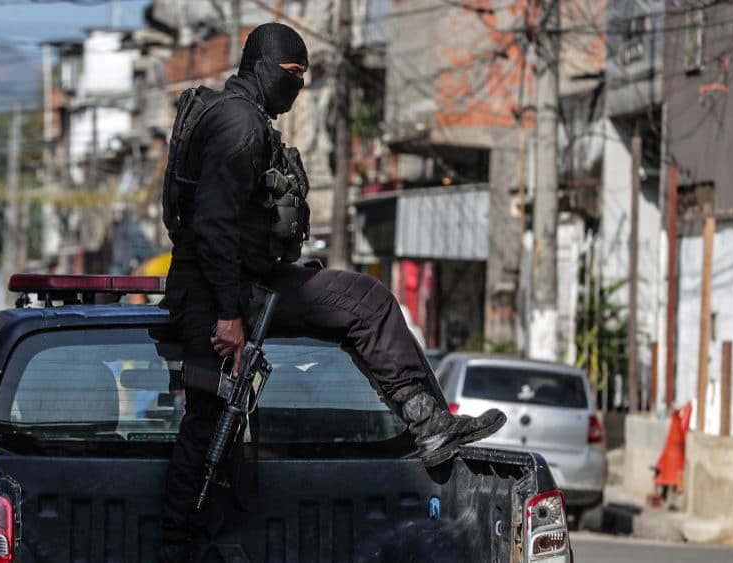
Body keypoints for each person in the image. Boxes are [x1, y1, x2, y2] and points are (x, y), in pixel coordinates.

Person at [157, 23, 507, 561]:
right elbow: (213, 226)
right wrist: (229, 314)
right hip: (221, 290)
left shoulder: (236, 116)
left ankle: (429, 421)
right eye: (292, 75)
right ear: (262, 68)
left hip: (241, 281)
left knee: (364, 302)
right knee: (209, 421)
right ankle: (177, 545)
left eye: (304, 76)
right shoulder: (239, 127)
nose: (299, 85)